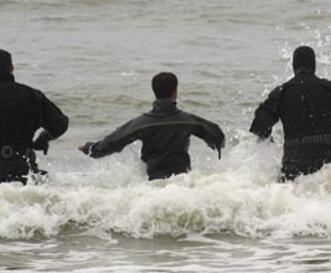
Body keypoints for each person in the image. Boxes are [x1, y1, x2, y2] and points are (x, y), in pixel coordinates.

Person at [79, 72, 225, 180]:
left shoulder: (141, 123)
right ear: (175, 91)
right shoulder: (189, 121)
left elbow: (113, 142)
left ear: (154, 92)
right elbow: (218, 136)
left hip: (153, 185)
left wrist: (91, 148)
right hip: (183, 183)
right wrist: (215, 144)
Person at [249, 46, 331, 181]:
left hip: (294, 167)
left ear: (293, 66)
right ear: (314, 65)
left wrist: (271, 142)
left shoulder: (281, 93)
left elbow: (259, 126)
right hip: (330, 165)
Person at [0, 49, 69, 184]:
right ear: (12, 68)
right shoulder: (33, 95)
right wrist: (44, 138)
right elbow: (60, 124)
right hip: (24, 171)